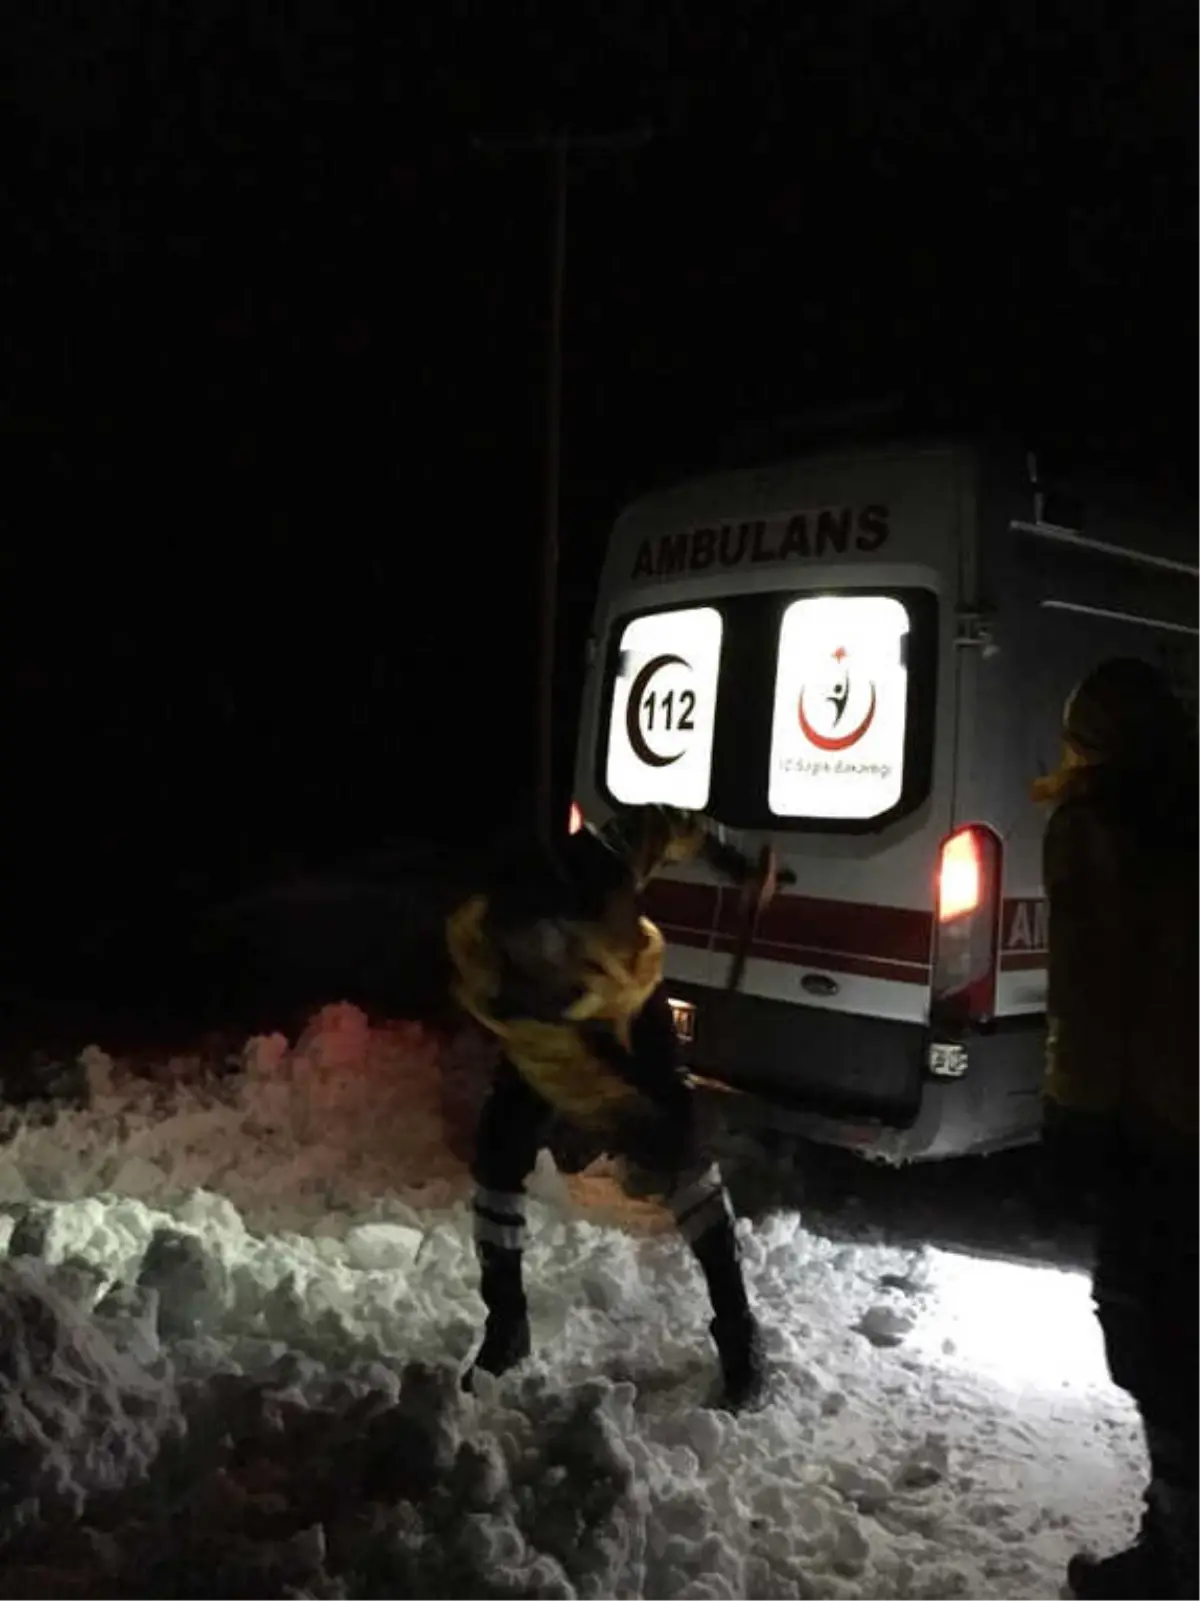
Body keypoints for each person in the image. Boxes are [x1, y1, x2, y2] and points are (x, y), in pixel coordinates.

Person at [445, 804, 786, 1411]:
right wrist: (625, 1117)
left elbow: (677, 823)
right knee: (498, 1160)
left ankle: (739, 1335)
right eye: (533, 951)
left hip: (631, 1021)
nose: (545, 955)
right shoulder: (506, 979)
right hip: (551, 1044)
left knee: (685, 1167)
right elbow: (565, 1063)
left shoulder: (611, 858)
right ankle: (508, 1328)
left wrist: (738, 866)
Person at [1035, 657, 1200, 1601]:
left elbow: (1089, 1002)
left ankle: (1179, 1560)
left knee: (1153, 1336)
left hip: (1158, 1129)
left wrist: (1071, 1125)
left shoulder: (1097, 830)